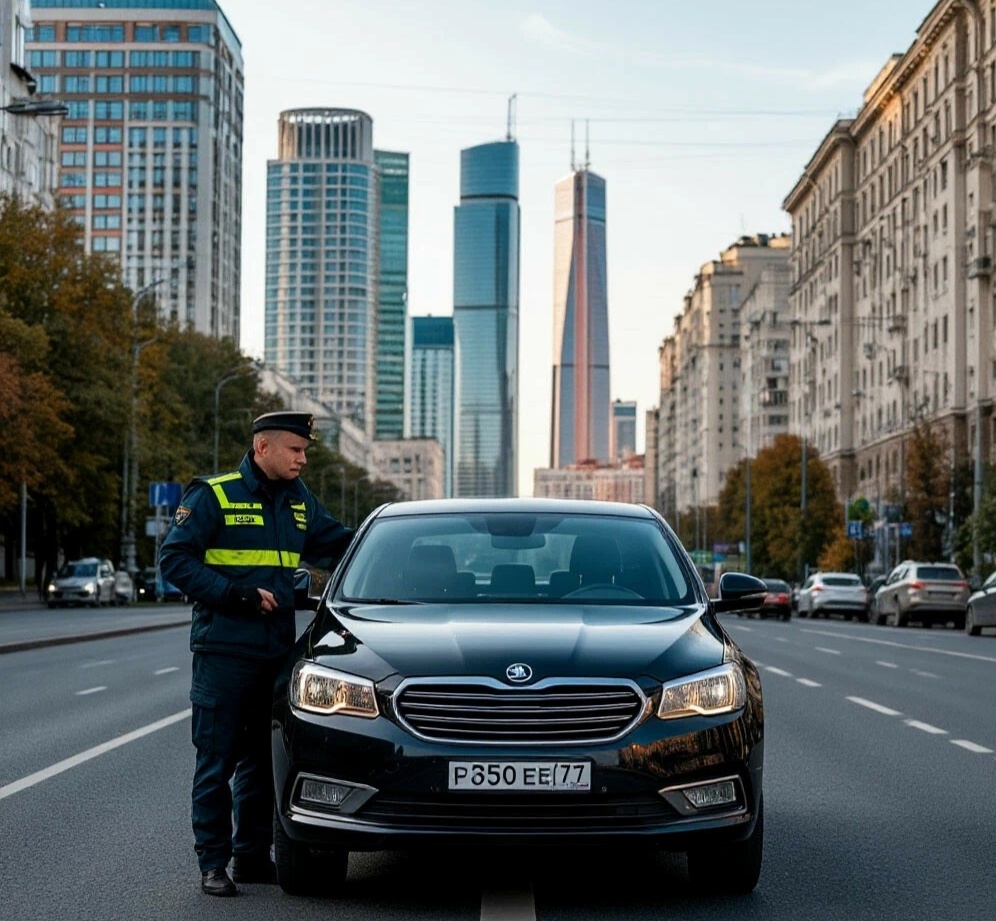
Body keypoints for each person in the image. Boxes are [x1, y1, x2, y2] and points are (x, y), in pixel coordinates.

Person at [159, 411, 354, 897]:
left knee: (261, 763)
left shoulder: (298, 502)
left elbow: (340, 544)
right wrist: (234, 594)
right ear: (263, 447)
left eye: (306, 452)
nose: (303, 460)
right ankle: (213, 864)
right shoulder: (215, 494)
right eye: (296, 450)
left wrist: (394, 544)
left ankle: (250, 857)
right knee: (217, 761)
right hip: (224, 651)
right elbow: (174, 560)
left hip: (274, 654)